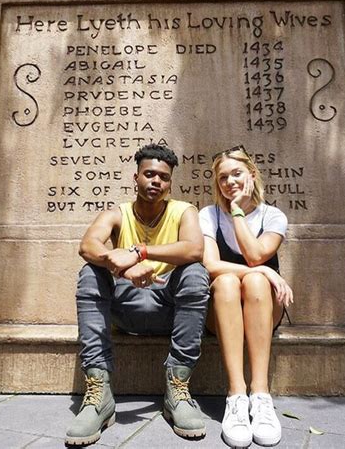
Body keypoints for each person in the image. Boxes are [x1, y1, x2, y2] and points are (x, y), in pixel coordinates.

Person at [66, 143, 210, 447]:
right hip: (126, 308)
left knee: (196, 272)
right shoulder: (117, 213)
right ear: (136, 177)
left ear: (170, 183)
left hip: (167, 310)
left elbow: (195, 249)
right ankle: (99, 394)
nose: (156, 181)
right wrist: (121, 268)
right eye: (149, 174)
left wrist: (138, 252)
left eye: (163, 177)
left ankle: (177, 387)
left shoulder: (184, 211)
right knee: (90, 272)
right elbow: (88, 244)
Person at [199, 145, 293, 448]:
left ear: (251, 175)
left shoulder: (273, 216)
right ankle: (236, 397)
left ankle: (261, 396)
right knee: (226, 282)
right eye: (223, 178)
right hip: (220, 313)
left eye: (236, 173)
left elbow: (255, 256)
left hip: (263, 309)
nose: (229, 182)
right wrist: (268, 272)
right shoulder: (208, 215)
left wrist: (238, 210)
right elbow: (210, 265)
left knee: (253, 281)